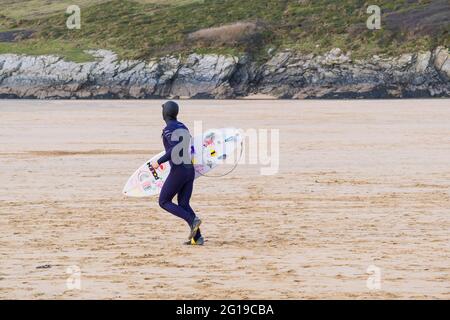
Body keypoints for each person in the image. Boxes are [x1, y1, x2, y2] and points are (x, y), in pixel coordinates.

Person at [151, 101, 203, 245]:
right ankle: (197, 238)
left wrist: (159, 161)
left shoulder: (168, 129)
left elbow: (175, 150)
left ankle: (193, 221)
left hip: (179, 170)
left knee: (164, 201)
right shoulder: (183, 127)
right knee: (184, 203)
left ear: (165, 113)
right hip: (189, 169)